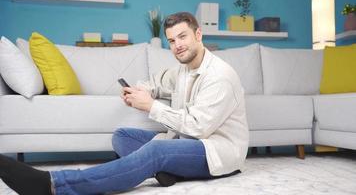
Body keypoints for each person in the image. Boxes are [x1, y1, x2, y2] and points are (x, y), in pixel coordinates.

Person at [0, 11, 249, 195]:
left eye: (182, 37)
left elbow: (199, 128)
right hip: (187, 143)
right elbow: (157, 81)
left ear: (198, 34)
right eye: (172, 41)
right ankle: (168, 170)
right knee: (122, 136)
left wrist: (151, 106)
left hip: (215, 151)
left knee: (155, 151)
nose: (177, 46)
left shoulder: (219, 76)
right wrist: (139, 91)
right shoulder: (183, 69)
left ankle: (55, 185)